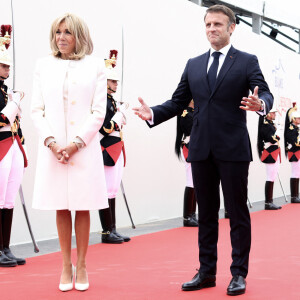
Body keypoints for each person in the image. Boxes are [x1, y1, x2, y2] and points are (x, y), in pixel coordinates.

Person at [133, 4, 273, 296]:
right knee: (206, 214)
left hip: (233, 150)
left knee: (237, 214)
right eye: (208, 24)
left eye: (218, 25)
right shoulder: (194, 64)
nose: (212, 29)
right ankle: (207, 272)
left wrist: (262, 105)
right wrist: (152, 114)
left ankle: (238, 274)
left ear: (231, 27)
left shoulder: (247, 61)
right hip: (200, 150)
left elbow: (265, 92)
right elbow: (177, 102)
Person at [31, 13, 108, 292]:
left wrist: (76, 143)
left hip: (82, 148)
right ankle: (66, 264)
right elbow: (36, 109)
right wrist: (52, 142)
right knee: (61, 206)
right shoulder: (43, 65)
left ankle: (83, 263)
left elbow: (99, 111)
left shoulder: (95, 66)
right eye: (57, 32)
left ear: (79, 37)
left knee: (83, 204)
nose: (61, 37)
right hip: (53, 149)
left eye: (67, 32)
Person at [0, 25, 27, 267]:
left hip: (13, 143)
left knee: (8, 199)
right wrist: (13, 104)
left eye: (8, 66)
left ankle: (4, 247)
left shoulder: (6, 91)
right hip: (0, 144)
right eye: (4, 65)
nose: (8, 69)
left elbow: (14, 122)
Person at [98, 50, 130, 244]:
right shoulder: (102, 101)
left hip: (116, 147)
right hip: (107, 147)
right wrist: (119, 116)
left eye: (116, 81)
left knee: (113, 190)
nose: (115, 84)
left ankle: (113, 229)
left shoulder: (111, 101)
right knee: (107, 190)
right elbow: (104, 128)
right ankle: (106, 231)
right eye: (112, 81)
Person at [175, 100, 198, 227]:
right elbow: (193, 131)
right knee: (191, 181)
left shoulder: (194, 113)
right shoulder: (185, 114)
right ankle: (187, 216)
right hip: (190, 147)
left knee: (195, 182)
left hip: (196, 147)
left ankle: (192, 214)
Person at [257, 108, 282, 210]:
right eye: (273, 113)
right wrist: (279, 132)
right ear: (267, 114)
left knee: (272, 176)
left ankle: (270, 201)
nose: (274, 115)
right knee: (270, 177)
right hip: (270, 152)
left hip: (273, 152)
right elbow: (271, 139)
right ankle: (268, 202)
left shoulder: (270, 124)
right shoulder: (265, 124)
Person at [284, 104, 300, 203]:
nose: (299, 119)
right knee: (295, 173)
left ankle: (296, 195)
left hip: (297, 152)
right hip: (294, 152)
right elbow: (295, 142)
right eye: (298, 118)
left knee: (297, 173)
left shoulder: (296, 128)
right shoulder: (290, 129)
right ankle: (294, 196)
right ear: (293, 119)